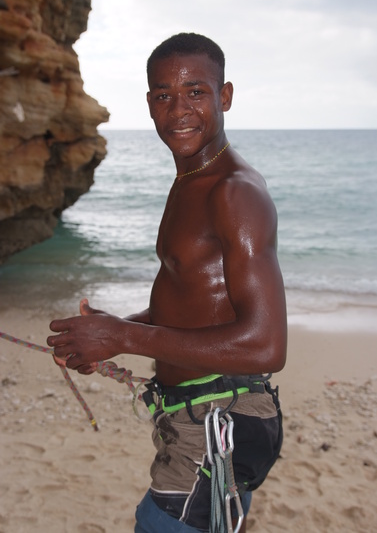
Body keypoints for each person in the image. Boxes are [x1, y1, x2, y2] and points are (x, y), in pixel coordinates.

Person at [48, 32, 287, 532]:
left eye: (196, 92)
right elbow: (196, 305)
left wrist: (125, 337)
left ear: (225, 97)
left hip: (221, 417)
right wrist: (111, 335)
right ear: (150, 104)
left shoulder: (234, 193)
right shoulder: (189, 182)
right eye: (163, 95)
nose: (179, 109)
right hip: (195, 416)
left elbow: (266, 345)